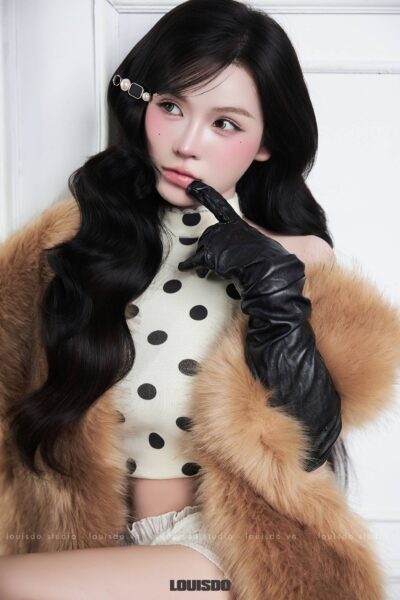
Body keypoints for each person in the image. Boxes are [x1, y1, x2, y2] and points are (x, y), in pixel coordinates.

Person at [0, 0, 399, 598]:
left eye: (225, 124)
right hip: (98, 543)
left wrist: (275, 298)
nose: (187, 144)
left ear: (266, 142)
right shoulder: (69, 246)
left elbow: (310, 449)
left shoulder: (299, 258)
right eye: (171, 107)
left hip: (226, 557)